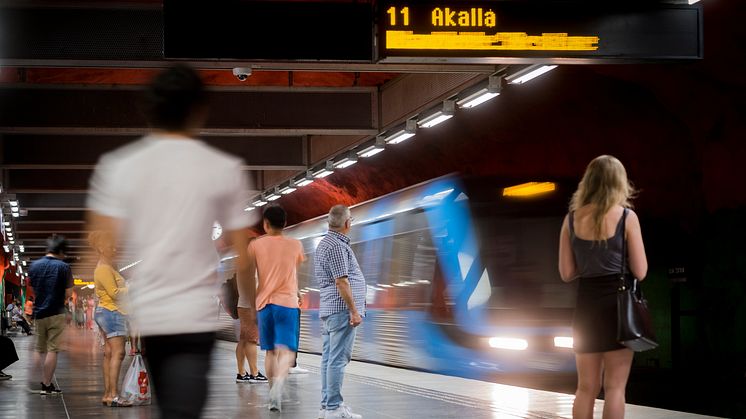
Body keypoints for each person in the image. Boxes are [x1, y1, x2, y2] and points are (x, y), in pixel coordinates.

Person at [86, 64, 255, 419]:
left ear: (149, 109)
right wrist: (247, 311)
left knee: (172, 403)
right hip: (195, 315)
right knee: (185, 405)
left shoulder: (119, 166)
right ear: (199, 109)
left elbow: (101, 240)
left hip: (152, 316)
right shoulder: (223, 167)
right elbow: (244, 255)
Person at [558, 155, 648, 419]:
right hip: (617, 310)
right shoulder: (627, 218)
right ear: (619, 183)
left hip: (586, 308)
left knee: (585, 388)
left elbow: (566, 273)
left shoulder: (571, 220)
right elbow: (641, 272)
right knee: (615, 388)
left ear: (588, 183)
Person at [246, 205, 305, 411]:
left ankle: (273, 396)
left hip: (264, 304)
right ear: (285, 224)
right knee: (288, 350)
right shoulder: (296, 245)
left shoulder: (255, 245)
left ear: (266, 224)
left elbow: (251, 275)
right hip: (287, 303)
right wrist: (297, 293)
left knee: (270, 352)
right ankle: (279, 383)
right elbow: (293, 273)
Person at [315, 205, 366, 419]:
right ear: (347, 223)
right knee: (337, 359)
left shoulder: (326, 243)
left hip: (331, 310)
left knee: (329, 358)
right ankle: (334, 407)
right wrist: (354, 311)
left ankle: (328, 406)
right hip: (340, 311)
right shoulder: (336, 245)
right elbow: (341, 281)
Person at [89, 230, 131, 407]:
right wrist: (131, 287)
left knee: (108, 354)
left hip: (105, 312)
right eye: (110, 246)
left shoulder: (106, 266)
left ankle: (108, 394)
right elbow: (114, 293)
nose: (114, 248)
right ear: (100, 247)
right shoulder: (104, 269)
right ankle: (114, 394)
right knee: (118, 353)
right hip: (112, 311)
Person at [28, 235, 74, 395]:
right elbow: (69, 293)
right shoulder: (63, 267)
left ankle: (32, 381)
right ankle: (46, 384)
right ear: (60, 250)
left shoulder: (34, 266)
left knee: (38, 348)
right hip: (56, 312)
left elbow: (33, 289)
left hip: (39, 312)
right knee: (52, 349)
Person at [234, 268, 268, 384]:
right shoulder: (250, 267)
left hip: (243, 305)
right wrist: (255, 307)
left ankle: (241, 373)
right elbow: (253, 288)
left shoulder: (242, 266)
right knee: (251, 340)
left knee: (243, 339)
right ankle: (255, 373)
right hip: (249, 307)